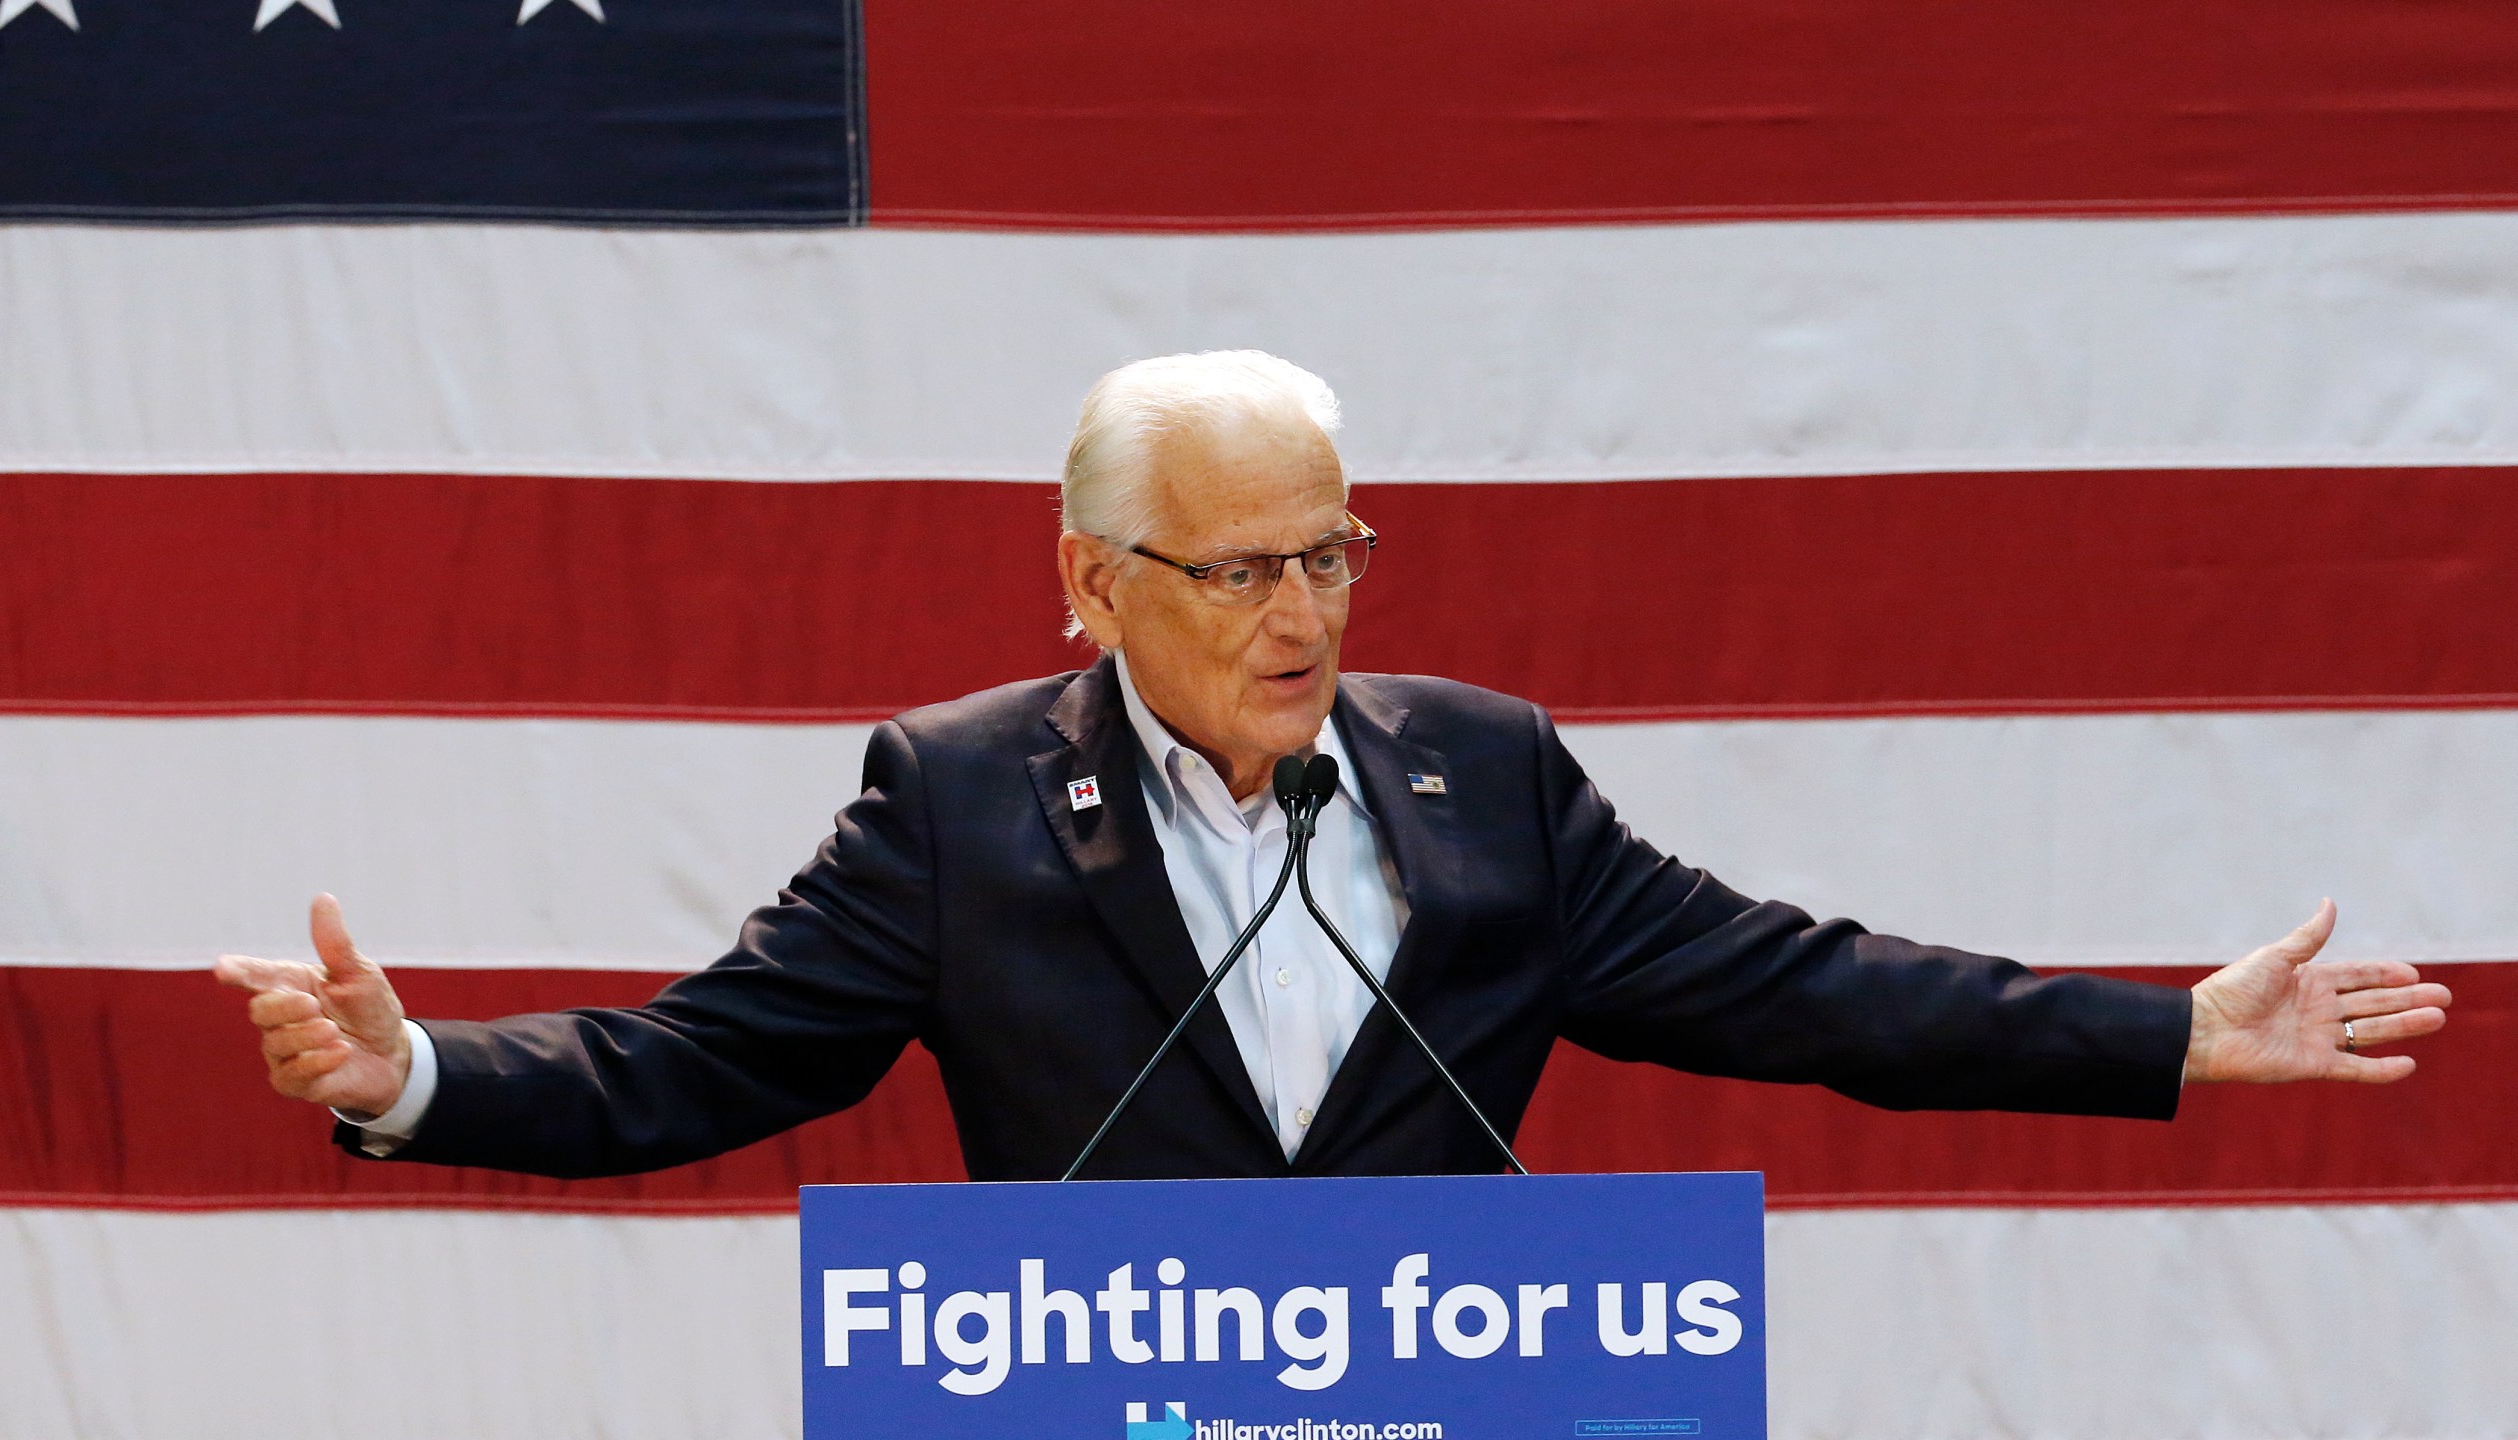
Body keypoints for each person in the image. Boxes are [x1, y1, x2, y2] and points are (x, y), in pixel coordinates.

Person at [216, 351, 2453, 1181]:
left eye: (1332, 555)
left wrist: (2167, 1036)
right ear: (1091, 584)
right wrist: (415, 1077)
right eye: (1237, 572)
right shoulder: (957, 802)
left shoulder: (1482, 776)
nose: (1301, 616)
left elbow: (1806, 991)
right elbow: (700, 1064)